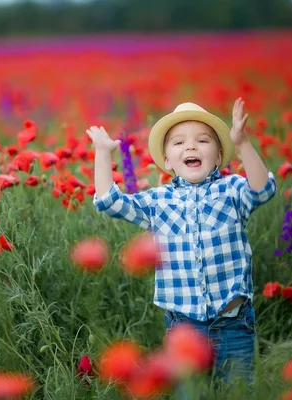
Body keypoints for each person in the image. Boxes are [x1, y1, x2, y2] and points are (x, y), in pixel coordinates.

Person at [87, 98, 277, 389]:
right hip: (184, 328)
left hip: (234, 323)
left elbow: (263, 189)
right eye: (179, 143)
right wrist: (102, 153)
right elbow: (110, 203)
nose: (190, 147)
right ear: (166, 161)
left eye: (202, 140)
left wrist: (242, 143)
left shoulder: (233, 189)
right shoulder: (158, 201)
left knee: (239, 392)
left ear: (218, 156)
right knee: (191, 393)